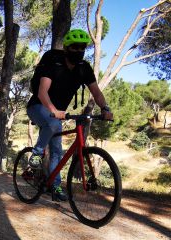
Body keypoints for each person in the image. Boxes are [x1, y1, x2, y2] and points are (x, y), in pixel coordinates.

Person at [26, 29, 113, 202]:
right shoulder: (54, 63)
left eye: (82, 47)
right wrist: (53, 111)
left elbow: (96, 92)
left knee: (58, 151)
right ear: (66, 48)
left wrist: (105, 108)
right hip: (38, 106)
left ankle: (55, 186)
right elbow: (42, 92)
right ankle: (36, 153)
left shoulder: (84, 68)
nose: (79, 51)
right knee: (52, 124)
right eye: (75, 47)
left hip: (57, 114)